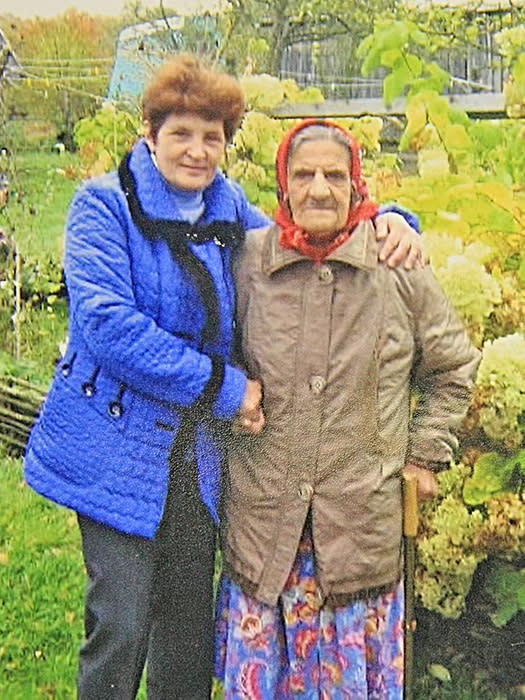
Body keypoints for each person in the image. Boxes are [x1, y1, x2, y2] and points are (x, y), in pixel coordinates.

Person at [23, 55, 422, 700]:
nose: (197, 150)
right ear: (150, 133)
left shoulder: (225, 204)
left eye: (212, 137)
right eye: (181, 133)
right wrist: (227, 389)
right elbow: (109, 326)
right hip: (117, 445)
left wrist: (389, 219)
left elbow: (301, 237)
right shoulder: (103, 205)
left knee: (186, 629)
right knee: (122, 621)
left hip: (198, 453)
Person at [215, 119, 481, 699]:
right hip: (265, 527)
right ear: (283, 186)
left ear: (356, 185)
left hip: (360, 529)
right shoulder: (248, 263)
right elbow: (213, 351)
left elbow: (454, 368)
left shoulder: (397, 266)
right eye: (304, 175)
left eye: (334, 176)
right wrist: (233, 395)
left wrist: (423, 454)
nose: (319, 189)